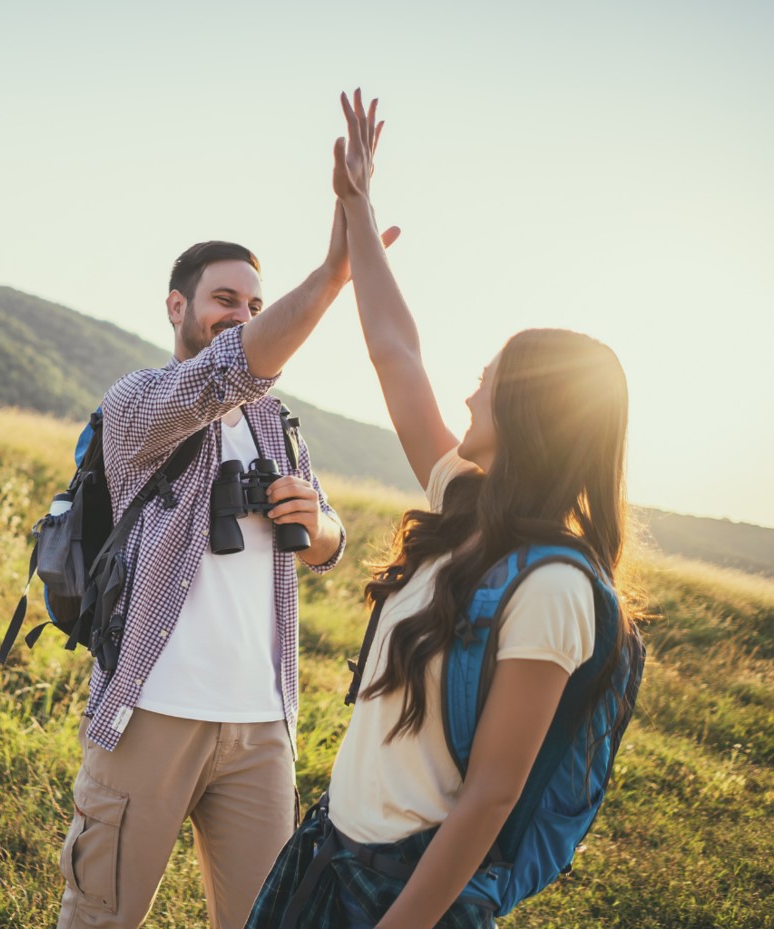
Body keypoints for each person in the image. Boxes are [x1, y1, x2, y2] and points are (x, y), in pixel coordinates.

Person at [245, 91, 642, 929]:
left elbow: (492, 795)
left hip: (403, 900)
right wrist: (355, 209)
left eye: (489, 378)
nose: (467, 387)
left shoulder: (555, 590)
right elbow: (396, 354)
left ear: (532, 414)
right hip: (328, 852)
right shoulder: (463, 504)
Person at [57, 207, 396, 929]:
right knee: (100, 916)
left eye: (253, 305)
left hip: (259, 724)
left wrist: (317, 524)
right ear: (176, 305)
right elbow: (227, 370)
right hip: (152, 711)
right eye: (223, 300)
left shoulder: (276, 422)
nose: (239, 316)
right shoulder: (139, 402)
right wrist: (334, 276)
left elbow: (329, 542)